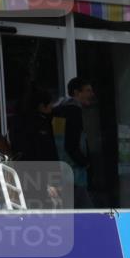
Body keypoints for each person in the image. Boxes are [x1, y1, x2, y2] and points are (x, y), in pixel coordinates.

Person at [52, 77, 94, 208]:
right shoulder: (74, 111)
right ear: (76, 92)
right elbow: (71, 145)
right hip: (74, 174)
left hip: (61, 171)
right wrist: (85, 162)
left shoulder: (58, 110)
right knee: (87, 213)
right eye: (88, 90)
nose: (92, 94)